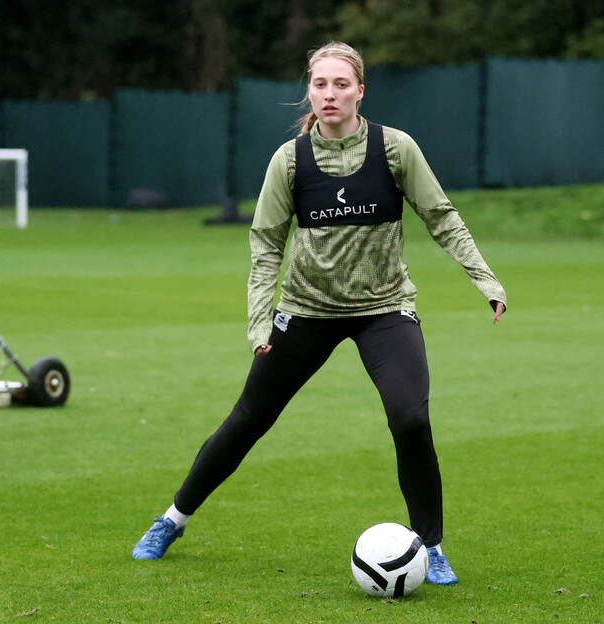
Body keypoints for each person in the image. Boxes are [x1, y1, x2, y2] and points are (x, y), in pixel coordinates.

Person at [130, 41, 507, 587]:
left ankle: (431, 546)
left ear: (360, 90)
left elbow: (441, 216)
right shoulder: (289, 160)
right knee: (248, 419)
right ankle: (172, 520)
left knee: (411, 417)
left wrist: (485, 279)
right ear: (309, 90)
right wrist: (261, 323)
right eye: (319, 85)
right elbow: (266, 244)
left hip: (384, 308)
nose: (329, 94)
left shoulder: (395, 150)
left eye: (341, 84)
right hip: (306, 309)